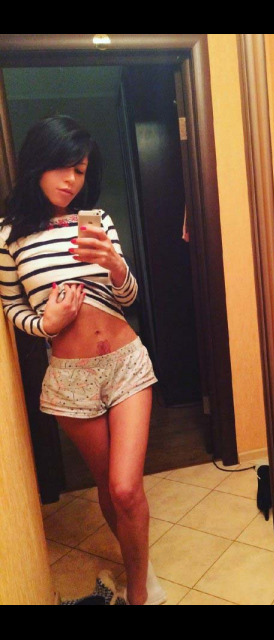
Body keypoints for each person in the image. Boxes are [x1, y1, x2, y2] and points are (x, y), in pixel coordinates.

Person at [0, 115, 166, 606]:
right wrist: (46, 324)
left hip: (125, 362)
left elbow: (128, 296)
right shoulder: (8, 236)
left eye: (80, 170)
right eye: (63, 167)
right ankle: (139, 562)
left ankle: (140, 591)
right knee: (107, 488)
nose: (72, 180)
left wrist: (115, 264)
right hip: (70, 379)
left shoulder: (97, 221)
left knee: (125, 487)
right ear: (38, 164)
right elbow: (12, 309)